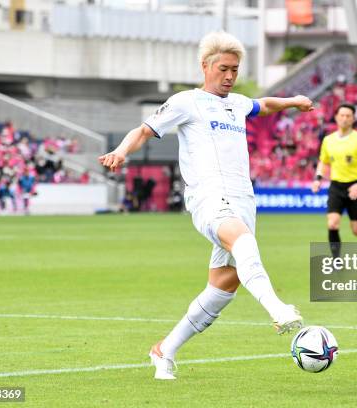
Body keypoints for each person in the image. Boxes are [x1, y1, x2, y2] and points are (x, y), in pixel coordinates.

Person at [98, 31, 313, 380]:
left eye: (235, 69)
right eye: (224, 68)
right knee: (243, 242)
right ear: (206, 66)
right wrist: (121, 152)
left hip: (244, 199)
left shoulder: (239, 103)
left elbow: (265, 104)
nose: (230, 76)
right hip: (208, 197)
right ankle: (277, 308)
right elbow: (143, 130)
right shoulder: (186, 101)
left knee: (222, 287)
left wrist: (294, 101)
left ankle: (164, 351)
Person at [311, 103, 357, 258]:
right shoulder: (328, 140)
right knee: (332, 223)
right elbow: (323, 161)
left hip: (355, 186)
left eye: (348, 116)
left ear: (353, 119)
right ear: (336, 117)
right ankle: (336, 259)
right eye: (342, 115)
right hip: (336, 186)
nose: (345, 118)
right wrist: (317, 179)